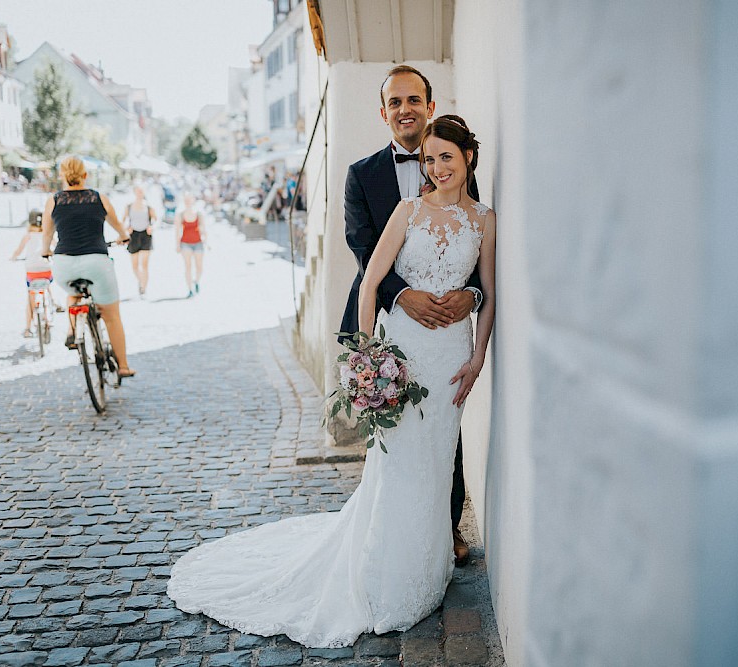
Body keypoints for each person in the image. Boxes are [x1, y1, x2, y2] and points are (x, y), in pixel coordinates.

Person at [167, 114, 495, 648]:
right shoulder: (407, 210)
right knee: (397, 466)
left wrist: (478, 357)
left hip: (452, 359)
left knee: (437, 463)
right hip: (405, 356)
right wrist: (369, 362)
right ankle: (385, 579)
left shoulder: (485, 219)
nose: (435, 169)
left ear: (468, 161)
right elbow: (369, 284)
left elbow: (488, 291)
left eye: (446, 159)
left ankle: (428, 569)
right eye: (430, 159)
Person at [342, 65, 483, 565]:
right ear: (384, 112)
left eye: (413, 100)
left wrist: (474, 295)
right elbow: (363, 250)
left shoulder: (454, 165)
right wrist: (403, 296)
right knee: (398, 436)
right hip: (394, 317)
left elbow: (465, 243)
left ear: (430, 105)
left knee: (447, 433)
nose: (405, 109)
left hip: (449, 329)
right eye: (395, 102)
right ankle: (393, 538)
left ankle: (446, 531)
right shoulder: (362, 174)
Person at [41, 156, 135, 377]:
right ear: (86, 175)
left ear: (62, 176)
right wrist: (123, 237)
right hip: (96, 263)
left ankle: (73, 328)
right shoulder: (98, 198)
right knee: (111, 316)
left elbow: (47, 233)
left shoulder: (53, 200)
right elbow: (118, 225)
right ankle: (122, 366)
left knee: (73, 293)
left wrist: (46, 251)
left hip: (64, 264)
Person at [9, 210, 55, 337]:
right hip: (46, 270)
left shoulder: (28, 235)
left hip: (32, 271)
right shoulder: (47, 234)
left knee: (31, 297)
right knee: (47, 285)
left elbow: (18, 251)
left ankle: (28, 328)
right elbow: (56, 245)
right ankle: (49, 312)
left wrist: (13, 257)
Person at [122, 184, 157, 297]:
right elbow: (122, 221)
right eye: (138, 191)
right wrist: (126, 228)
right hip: (134, 236)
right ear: (134, 192)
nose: (139, 193)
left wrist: (152, 227)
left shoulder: (148, 206)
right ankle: (141, 281)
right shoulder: (129, 206)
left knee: (144, 265)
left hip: (145, 236)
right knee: (135, 265)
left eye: (141, 191)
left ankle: (143, 288)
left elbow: (156, 220)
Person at [175, 194, 206, 297]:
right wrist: (177, 244)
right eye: (186, 200)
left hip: (198, 242)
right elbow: (177, 230)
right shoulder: (180, 215)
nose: (188, 201)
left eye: (189, 199)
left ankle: (196, 281)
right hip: (185, 243)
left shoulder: (199, 214)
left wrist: (206, 240)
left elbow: (203, 228)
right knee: (188, 266)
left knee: (199, 266)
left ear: (193, 200)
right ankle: (190, 289)